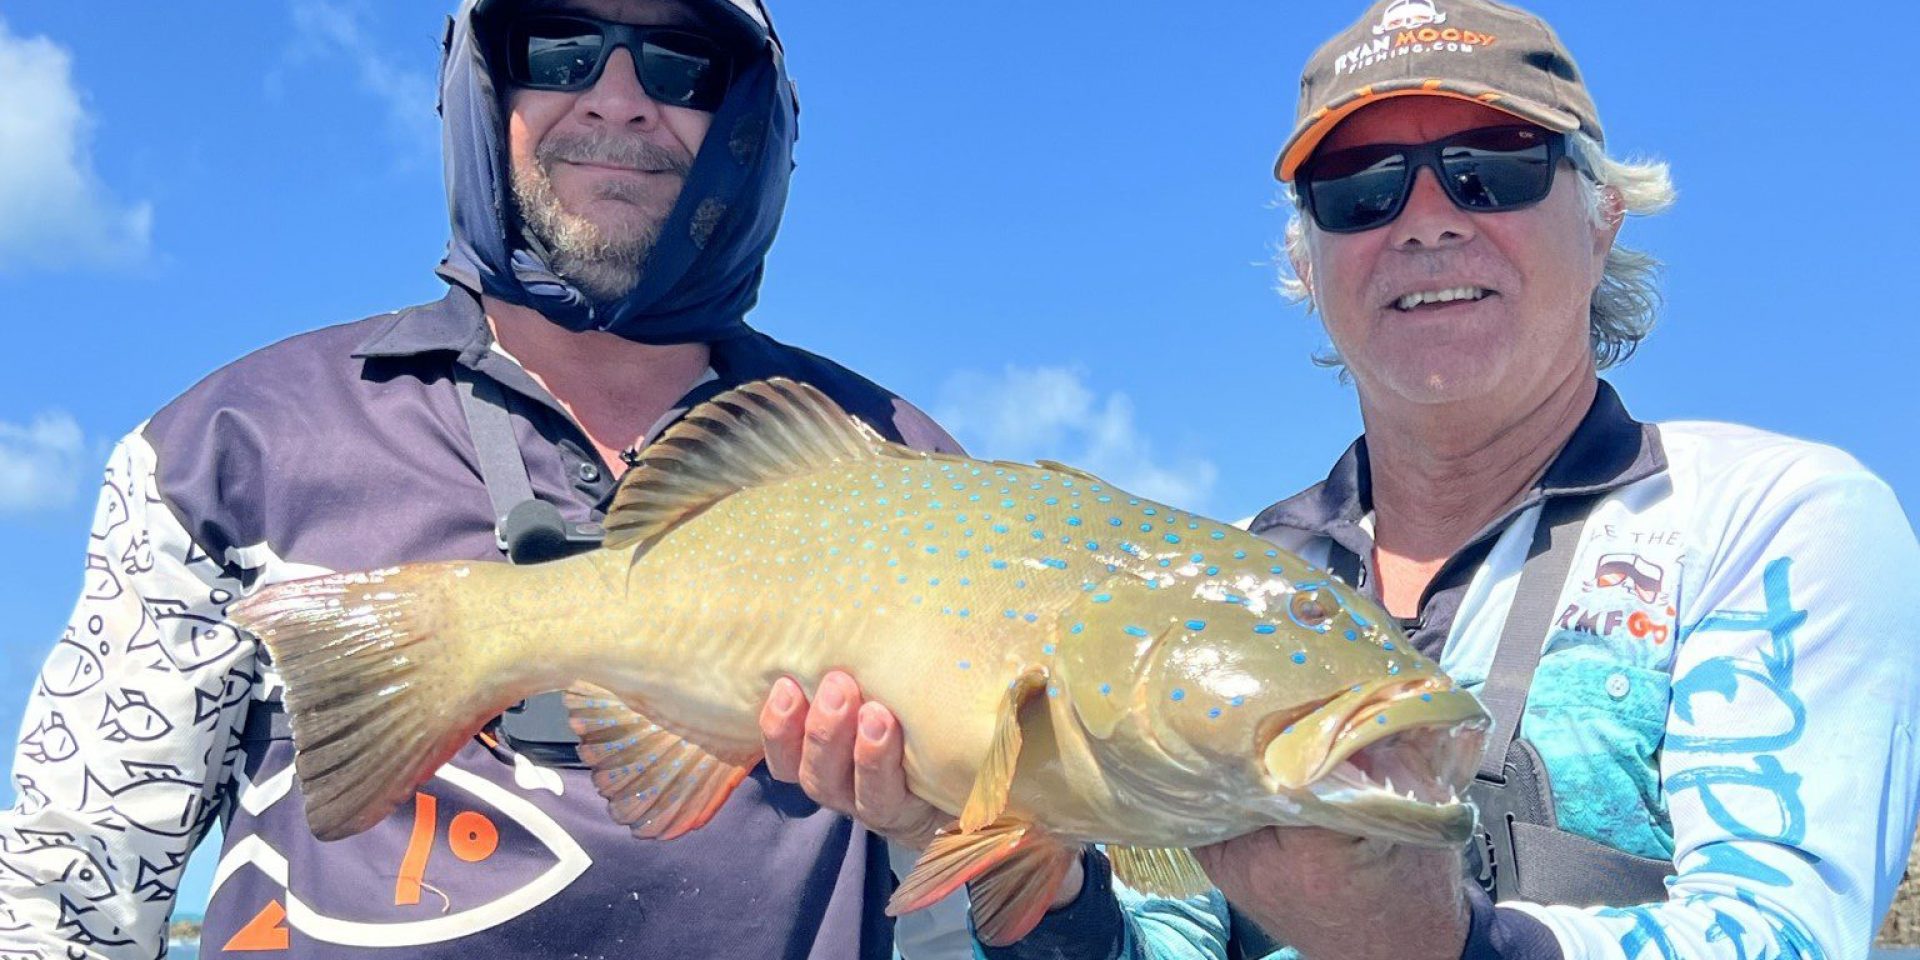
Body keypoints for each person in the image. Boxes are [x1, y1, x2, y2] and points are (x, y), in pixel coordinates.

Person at [763, 1, 1920, 957]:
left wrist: (1436, 943)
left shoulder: (1775, 520)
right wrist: (1041, 886)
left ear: (1603, 213)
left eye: (1491, 170)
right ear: (1307, 262)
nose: (1424, 222)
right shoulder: (1213, 583)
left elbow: (1783, 932)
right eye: (1361, 190)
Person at [0, 0, 972, 957]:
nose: (619, 98)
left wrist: (968, 849)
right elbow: (66, 890)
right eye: (559, 48)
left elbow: (980, 918)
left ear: (754, 118)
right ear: (479, 88)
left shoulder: (912, 477)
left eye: (683, 62)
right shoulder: (225, 453)